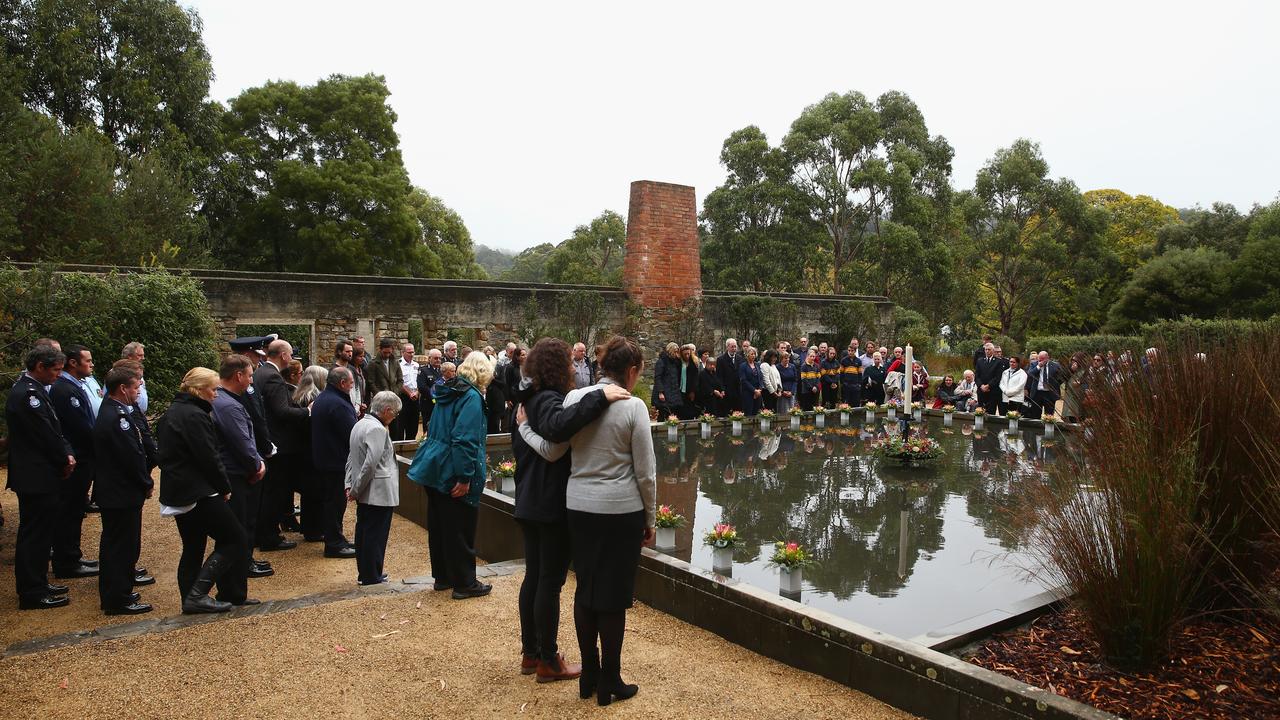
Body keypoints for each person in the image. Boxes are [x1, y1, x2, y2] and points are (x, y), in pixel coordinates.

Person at [509, 337, 624, 683]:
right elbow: (560, 429)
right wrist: (601, 396)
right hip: (548, 503)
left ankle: (532, 653)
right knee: (549, 580)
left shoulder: (528, 399)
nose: (575, 368)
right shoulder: (545, 399)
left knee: (536, 577)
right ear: (558, 367)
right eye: (570, 363)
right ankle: (547, 659)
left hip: (531, 498)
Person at [561, 336, 655, 705]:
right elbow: (645, 472)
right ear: (631, 372)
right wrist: (650, 516)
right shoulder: (634, 407)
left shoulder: (573, 399)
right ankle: (610, 680)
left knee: (585, 589)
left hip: (579, 506)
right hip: (620, 509)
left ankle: (590, 675)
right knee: (613, 598)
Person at [407, 352, 493, 599]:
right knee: (460, 527)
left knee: (440, 525)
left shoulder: (448, 389)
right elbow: (464, 439)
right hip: (450, 469)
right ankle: (465, 583)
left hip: (433, 465)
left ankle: (443, 577)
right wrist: (465, 476)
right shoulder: (471, 397)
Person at [158, 368, 243, 614]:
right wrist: (224, 487)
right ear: (199, 390)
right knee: (234, 538)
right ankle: (197, 595)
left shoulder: (173, 411)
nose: (216, 395)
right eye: (213, 389)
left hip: (180, 488)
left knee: (193, 545)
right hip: (197, 490)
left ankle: (190, 597)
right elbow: (208, 456)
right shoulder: (195, 415)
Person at [7, 346, 76, 609]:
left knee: (42, 532)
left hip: (42, 473)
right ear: (39, 367)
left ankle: (38, 581)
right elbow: (43, 433)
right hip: (35, 475)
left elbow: (55, 428)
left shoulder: (34, 391)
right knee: (34, 534)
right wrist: (63, 458)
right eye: (56, 370)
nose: (58, 375)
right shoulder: (27, 394)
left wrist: (66, 453)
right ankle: (32, 591)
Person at [92, 365, 156, 615]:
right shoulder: (116, 416)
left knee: (119, 544)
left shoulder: (115, 410)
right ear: (122, 388)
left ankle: (119, 591)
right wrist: (145, 482)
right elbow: (130, 456)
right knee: (121, 546)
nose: (139, 391)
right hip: (120, 492)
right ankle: (117, 597)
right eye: (136, 387)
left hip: (117, 490)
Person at [210, 355, 265, 604]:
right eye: (250, 375)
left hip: (233, 473)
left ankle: (232, 590)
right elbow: (241, 442)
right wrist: (256, 465)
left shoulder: (222, 400)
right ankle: (233, 592)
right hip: (236, 476)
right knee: (237, 534)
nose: (252, 380)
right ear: (238, 376)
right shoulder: (228, 405)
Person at [48, 345, 100, 580]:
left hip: (83, 456)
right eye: (87, 361)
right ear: (73, 363)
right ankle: (66, 561)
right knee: (69, 510)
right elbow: (79, 426)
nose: (91, 365)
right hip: (77, 457)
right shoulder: (64, 389)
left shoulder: (74, 385)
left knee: (76, 509)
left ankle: (73, 555)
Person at [255, 340, 309, 552]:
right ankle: (269, 536)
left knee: (269, 491)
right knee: (274, 492)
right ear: (284, 356)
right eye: (290, 354)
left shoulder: (261, 372)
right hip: (278, 444)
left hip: (270, 440)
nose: (291, 357)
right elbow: (281, 411)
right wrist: (308, 411)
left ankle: (263, 533)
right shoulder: (272, 377)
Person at [346, 390, 402, 586]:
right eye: (394, 413)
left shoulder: (360, 423)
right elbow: (370, 464)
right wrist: (355, 489)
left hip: (367, 490)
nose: (394, 418)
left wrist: (350, 484)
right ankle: (371, 574)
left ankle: (368, 572)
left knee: (365, 531)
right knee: (374, 535)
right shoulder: (377, 429)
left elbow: (351, 459)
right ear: (386, 410)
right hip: (378, 490)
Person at [312, 366, 359, 559]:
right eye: (351, 383)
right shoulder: (337, 404)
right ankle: (334, 543)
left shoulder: (324, 398)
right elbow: (352, 434)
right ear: (342, 383)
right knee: (335, 503)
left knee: (332, 502)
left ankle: (336, 537)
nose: (352, 386)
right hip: (335, 461)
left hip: (326, 458)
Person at [293, 365, 328, 541]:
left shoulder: (299, 395)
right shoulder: (314, 398)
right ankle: (315, 529)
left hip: (302, 449)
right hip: (312, 449)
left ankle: (309, 527)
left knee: (309, 493)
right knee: (316, 491)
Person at [1026, 351, 1063, 420]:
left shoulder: (1055, 365)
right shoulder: (1034, 364)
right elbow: (1030, 374)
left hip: (1049, 394)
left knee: (1049, 416)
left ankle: (1048, 430)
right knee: (1035, 415)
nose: (1041, 361)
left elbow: (1061, 378)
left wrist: (1054, 385)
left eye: (1043, 359)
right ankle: (1036, 430)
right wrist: (1038, 366)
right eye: (1039, 359)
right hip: (1037, 393)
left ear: (1047, 358)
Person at [650, 342, 682, 420]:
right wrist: (660, 392)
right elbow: (658, 377)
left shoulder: (675, 362)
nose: (676, 353)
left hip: (673, 391)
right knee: (663, 413)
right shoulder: (661, 361)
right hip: (665, 391)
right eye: (674, 351)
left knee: (673, 414)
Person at [502, 345, 528, 432]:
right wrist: (507, 399)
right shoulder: (510, 367)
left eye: (525, 354)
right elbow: (507, 384)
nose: (525, 356)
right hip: (514, 397)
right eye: (523, 355)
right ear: (517, 356)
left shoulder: (526, 367)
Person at [397, 343, 420, 441]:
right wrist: (409, 393)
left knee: (413, 426)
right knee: (400, 425)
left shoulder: (416, 365)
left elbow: (419, 381)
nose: (412, 354)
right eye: (409, 352)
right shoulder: (398, 364)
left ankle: (410, 446)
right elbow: (398, 381)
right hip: (403, 397)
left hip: (415, 397)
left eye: (413, 352)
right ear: (403, 352)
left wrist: (417, 392)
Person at [418, 349, 444, 429]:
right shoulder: (423, 370)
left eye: (440, 358)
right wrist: (435, 396)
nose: (438, 360)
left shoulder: (443, 370)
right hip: (428, 404)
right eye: (436, 358)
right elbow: (422, 387)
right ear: (429, 358)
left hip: (441, 404)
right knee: (428, 427)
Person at [1061, 352, 1090, 423]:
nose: (1074, 362)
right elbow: (1063, 378)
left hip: (1079, 395)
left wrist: (1080, 382)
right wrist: (1071, 370)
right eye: (1073, 360)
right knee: (1068, 413)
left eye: (1076, 360)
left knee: (1077, 414)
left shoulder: (1086, 368)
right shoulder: (1070, 367)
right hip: (1069, 393)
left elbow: (1087, 380)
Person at [716, 339, 742, 414]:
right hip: (727, 390)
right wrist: (722, 389)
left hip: (737, 391)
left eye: (735, 347)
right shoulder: (721, 359)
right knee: (727, 412)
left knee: (738, 412)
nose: (734, 349)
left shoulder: (740, 359)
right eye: (732, 347)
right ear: (727, 347)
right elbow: (719, 376)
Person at [121, 342, 149, 414]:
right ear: (129, 356)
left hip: (139, 415)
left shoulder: (138, 372)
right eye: (140, 355)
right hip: (128, 414)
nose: (143, 358)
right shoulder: (119, 373)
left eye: (143, 355)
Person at [975, 343, 1002, 414]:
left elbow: (997, 377)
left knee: (991, 412)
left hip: (992, 391)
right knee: (980, 412)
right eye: (986, 349)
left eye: (989, 349)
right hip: (981, 391)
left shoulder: (998, 361)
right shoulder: (980, 361)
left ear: (993, 350)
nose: (987, 351)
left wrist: (988, 386)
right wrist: (981, 386)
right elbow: (977, 376)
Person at [738, 346, 764, 416]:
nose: (753, 356)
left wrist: (759, 390)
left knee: (756, 413)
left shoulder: (757, 365)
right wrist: (754, 390)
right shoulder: (743, 366)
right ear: (747, 355)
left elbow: (761, 378)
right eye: (751, 354)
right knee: (748, 413)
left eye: (754, 354)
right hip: (748, 393)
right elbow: (744, 380)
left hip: (758, 393)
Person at [839, 341, 864, 408]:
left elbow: (860, 374)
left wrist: (859, 384)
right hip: (846, 384)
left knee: (855, 402)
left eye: (852, 351)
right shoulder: (843, 360)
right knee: (846, 401)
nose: (850, 352)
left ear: (855, 351)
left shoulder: (858, 361)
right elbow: (841, 373)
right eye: (849, 350)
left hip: (855, 385)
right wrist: (843, 383)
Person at [759, 349, 781, 414]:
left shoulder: (773, 366)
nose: (775, 359)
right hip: (768, 392)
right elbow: (766, 381)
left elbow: (778, 379)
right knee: (769, 411)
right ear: (769, 357)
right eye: (773, 357)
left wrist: (779, 390)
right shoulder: (764, 365)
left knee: (774, 411)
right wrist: (773, 392)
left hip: (776, 392)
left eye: (776, 357)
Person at [775, 349, 797, 414]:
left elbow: (795, 380)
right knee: (783, 412)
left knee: (792, 412)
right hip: (782, 393)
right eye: (785, 358)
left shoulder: (792, 366)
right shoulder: (777, 367)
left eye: (788, 358)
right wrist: (782, 391)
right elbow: (777, 381)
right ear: (781, 359)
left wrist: (792, 392)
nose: (787, 360)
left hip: (791, 393)